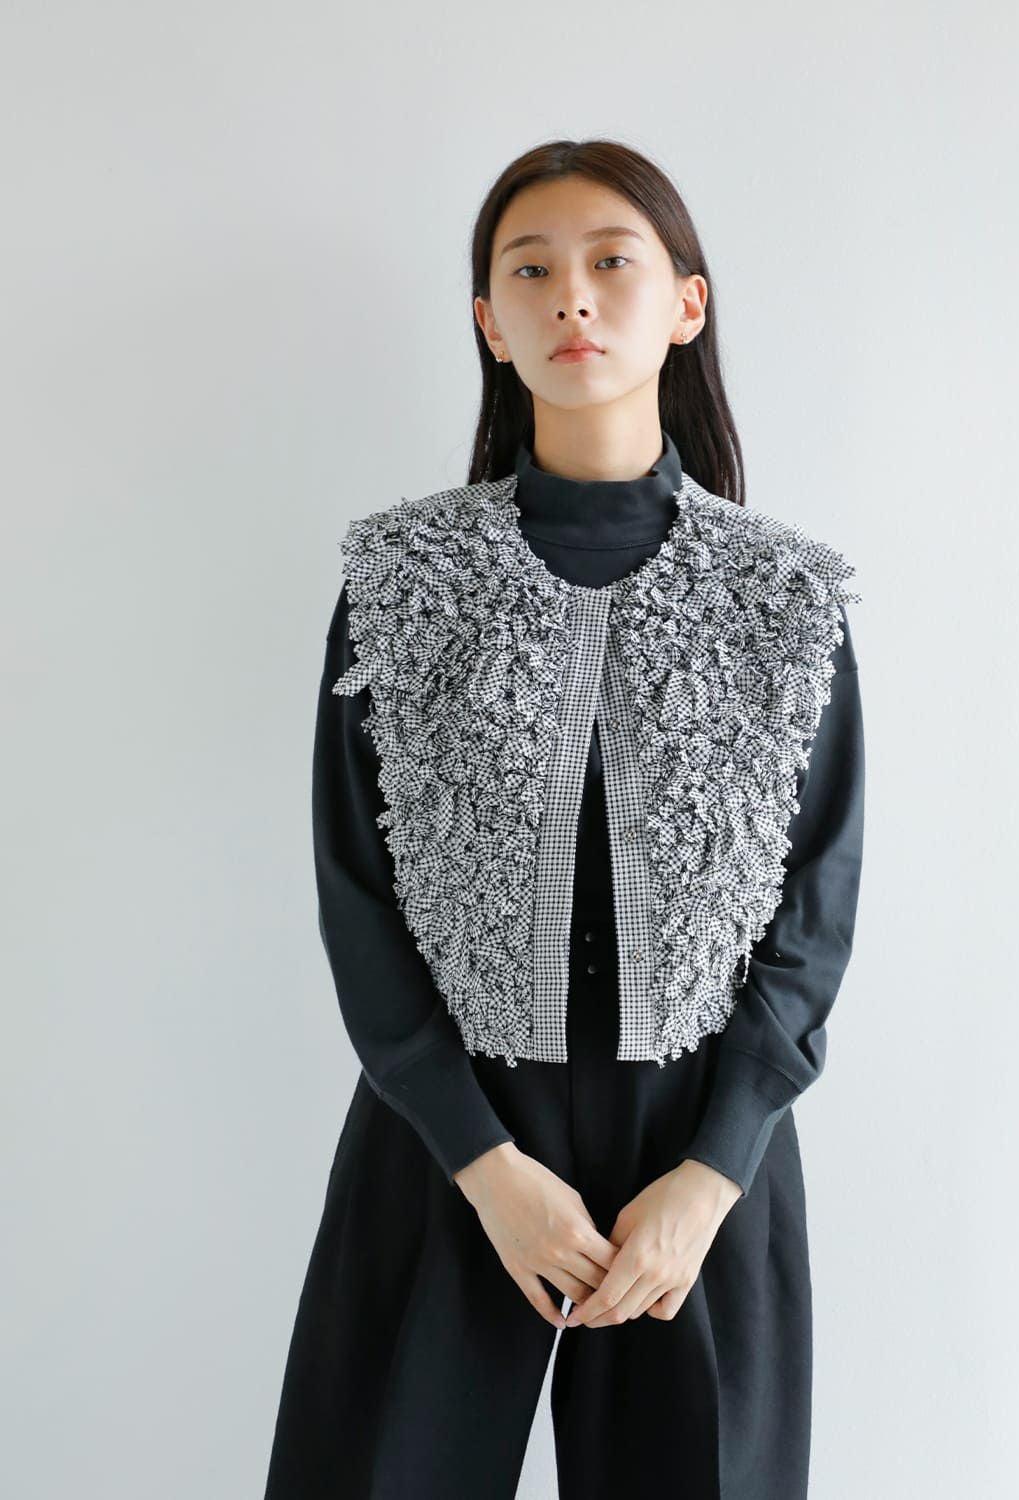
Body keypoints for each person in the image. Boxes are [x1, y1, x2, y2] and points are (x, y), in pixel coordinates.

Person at [263, 139, 865, 1500]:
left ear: (686, 304)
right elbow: (357, 891)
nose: (572, 298)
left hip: (701, 1160)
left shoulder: (785, 599)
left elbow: (815, 909)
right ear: (490, 321)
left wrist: (712, 1176)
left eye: (611, 262)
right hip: (448, 1137)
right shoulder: (401, 582)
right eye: (529, 271)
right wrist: (486, 1167)